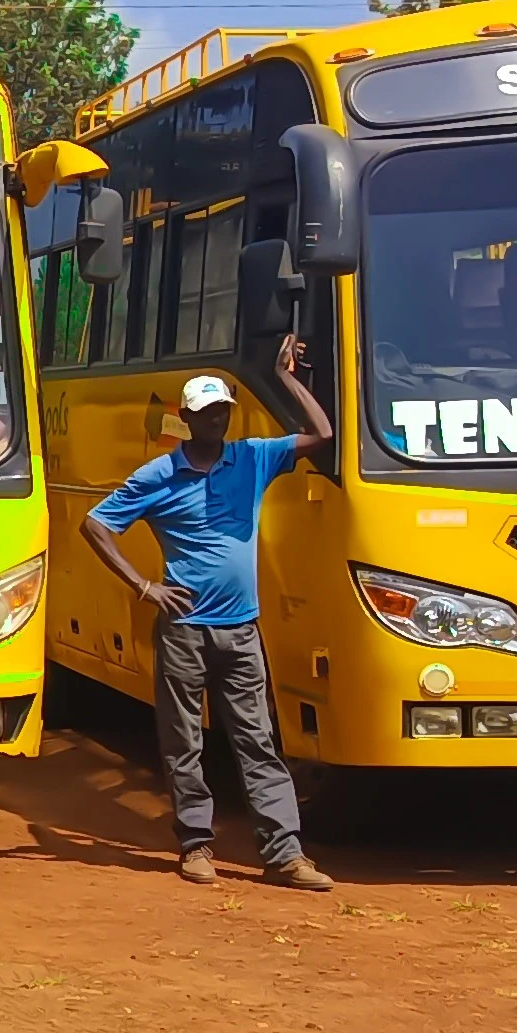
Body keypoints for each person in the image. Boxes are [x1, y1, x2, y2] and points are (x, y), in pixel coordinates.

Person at [81, 337, 338, 893]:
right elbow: (96, 526)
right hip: (184, 632)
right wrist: (145, 585)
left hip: (241, 630)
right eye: (204, 413)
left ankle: (285, 855)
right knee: (183, 743)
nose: (215, 420)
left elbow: (322, 435)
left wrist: (286, 379)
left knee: (258, 742)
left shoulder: (252, 457)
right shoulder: (158, 476)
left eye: (222, 410)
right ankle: (196, 845)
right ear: (187, 418)